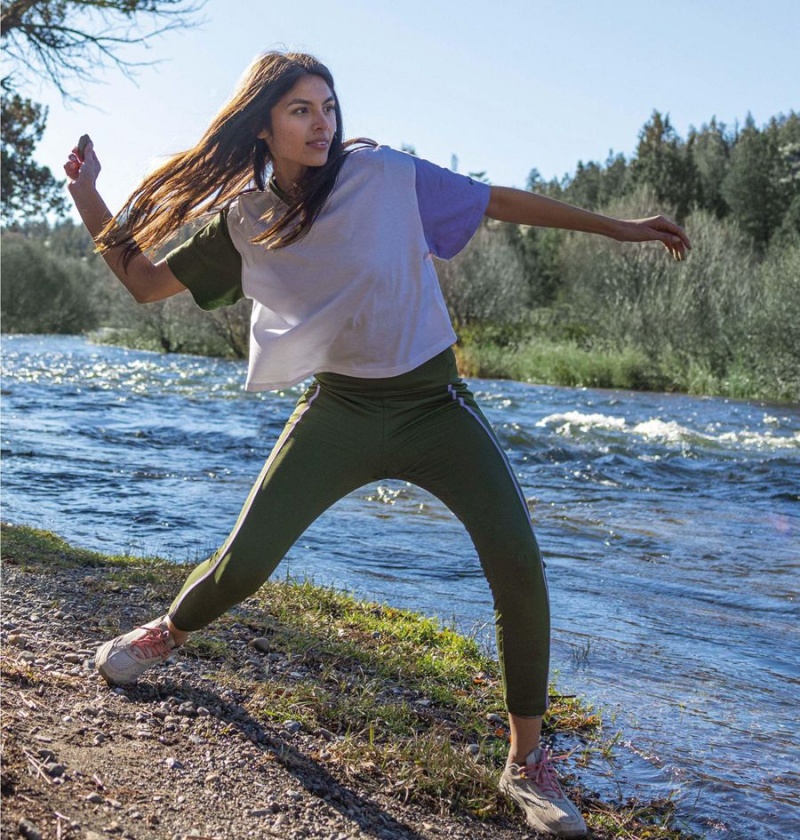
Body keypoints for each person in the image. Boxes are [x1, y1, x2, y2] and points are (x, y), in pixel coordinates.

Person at [65, 51, 690, 839]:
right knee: (245, 563)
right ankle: (170, 631)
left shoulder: (385, 173)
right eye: (301, 109)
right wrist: (89, 195)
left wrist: (621, 227)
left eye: (328, 105)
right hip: (341, 411)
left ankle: (526, 762)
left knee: (520, 569)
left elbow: (495, 199)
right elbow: (146, 282)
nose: (322, 121)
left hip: (435, 409)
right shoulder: (247, 218)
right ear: (263, 122)